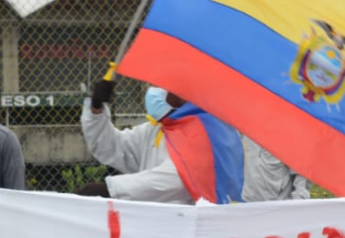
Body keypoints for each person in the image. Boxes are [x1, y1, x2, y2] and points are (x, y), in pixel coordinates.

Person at [77, 79, 244, 204]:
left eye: (163, 84)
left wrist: (111, 189)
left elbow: (180, 178)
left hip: (190, 230)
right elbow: (111, 147)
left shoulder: (207, 130)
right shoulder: (157, 129)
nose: (153, 90)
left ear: (185, 93)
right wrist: (96, 109)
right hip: (156, 229)